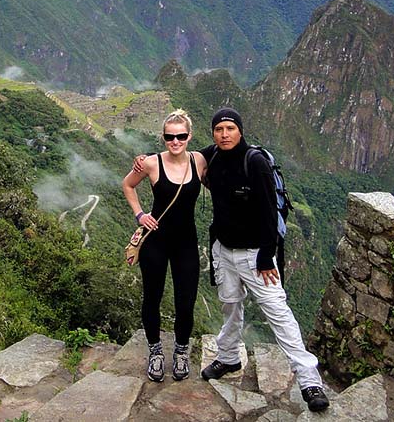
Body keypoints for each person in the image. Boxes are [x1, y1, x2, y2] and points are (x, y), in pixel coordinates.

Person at [133, 108, 329, 412]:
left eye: (230, 129)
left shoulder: (256, 162)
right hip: (223, 251)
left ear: (240, 130)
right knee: (230, 305)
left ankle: (309, 380)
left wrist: (267, 255)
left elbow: (269, 211)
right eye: (219, 129)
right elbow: (177, 153)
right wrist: (147, 157)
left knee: (277, 310)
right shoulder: (210, 156)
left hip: (256, 255)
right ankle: (227, 357)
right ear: (212, 133)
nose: (224, 135)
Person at [122, 109, 207, 382]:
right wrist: (140, 215)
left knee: (186, 301)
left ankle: (181, 351)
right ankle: (156, 350)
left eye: (181, 136)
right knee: (153, 298)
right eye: (170, 137)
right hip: (156, 242)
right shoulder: (150, 164)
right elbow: (127, 185)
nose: (175, 141)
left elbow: (227, 155)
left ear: (189, 136)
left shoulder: (200, 161)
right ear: (163, 137)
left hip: (186, 242)